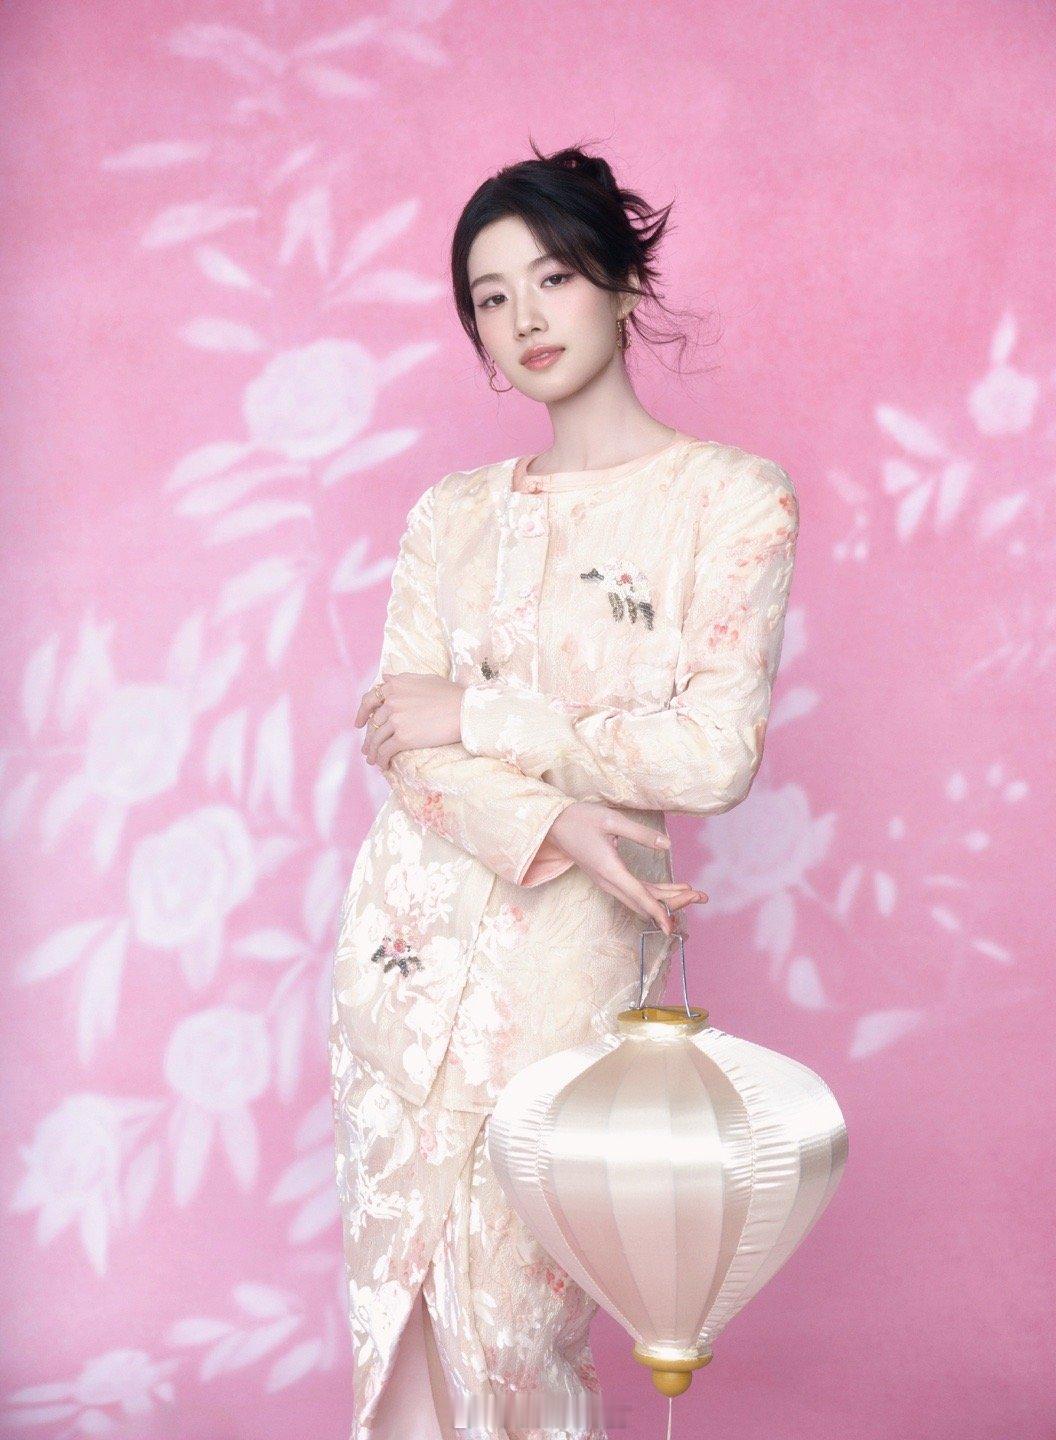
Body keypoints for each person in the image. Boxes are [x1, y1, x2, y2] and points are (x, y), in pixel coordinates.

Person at [329, 141, 799, 1440]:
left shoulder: (731, 500)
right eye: (490, 297)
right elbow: (402, 739)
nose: (525, 316)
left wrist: (484, 713)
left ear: (623, 282)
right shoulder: (449, 515)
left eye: (553, 276)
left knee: (517, 1331)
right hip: (401, 960)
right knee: (399, 1331)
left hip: (567, 969)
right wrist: (556, 820)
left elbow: (712, 753)